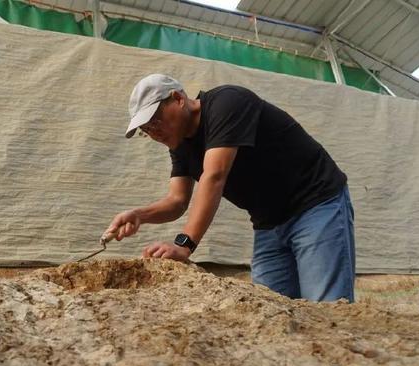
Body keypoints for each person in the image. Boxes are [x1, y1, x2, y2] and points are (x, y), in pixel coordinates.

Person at [106, 74, 355, 303]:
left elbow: (214, 175)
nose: (154, 133)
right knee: (271, 308)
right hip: (269, 224)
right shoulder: (180, 144)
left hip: (315, 205)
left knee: (327, 306)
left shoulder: (227, 103)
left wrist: (184, 245)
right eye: (146, 130)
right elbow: (177, 200)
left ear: (178, 99)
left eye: (155, 121)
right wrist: (139, 215)